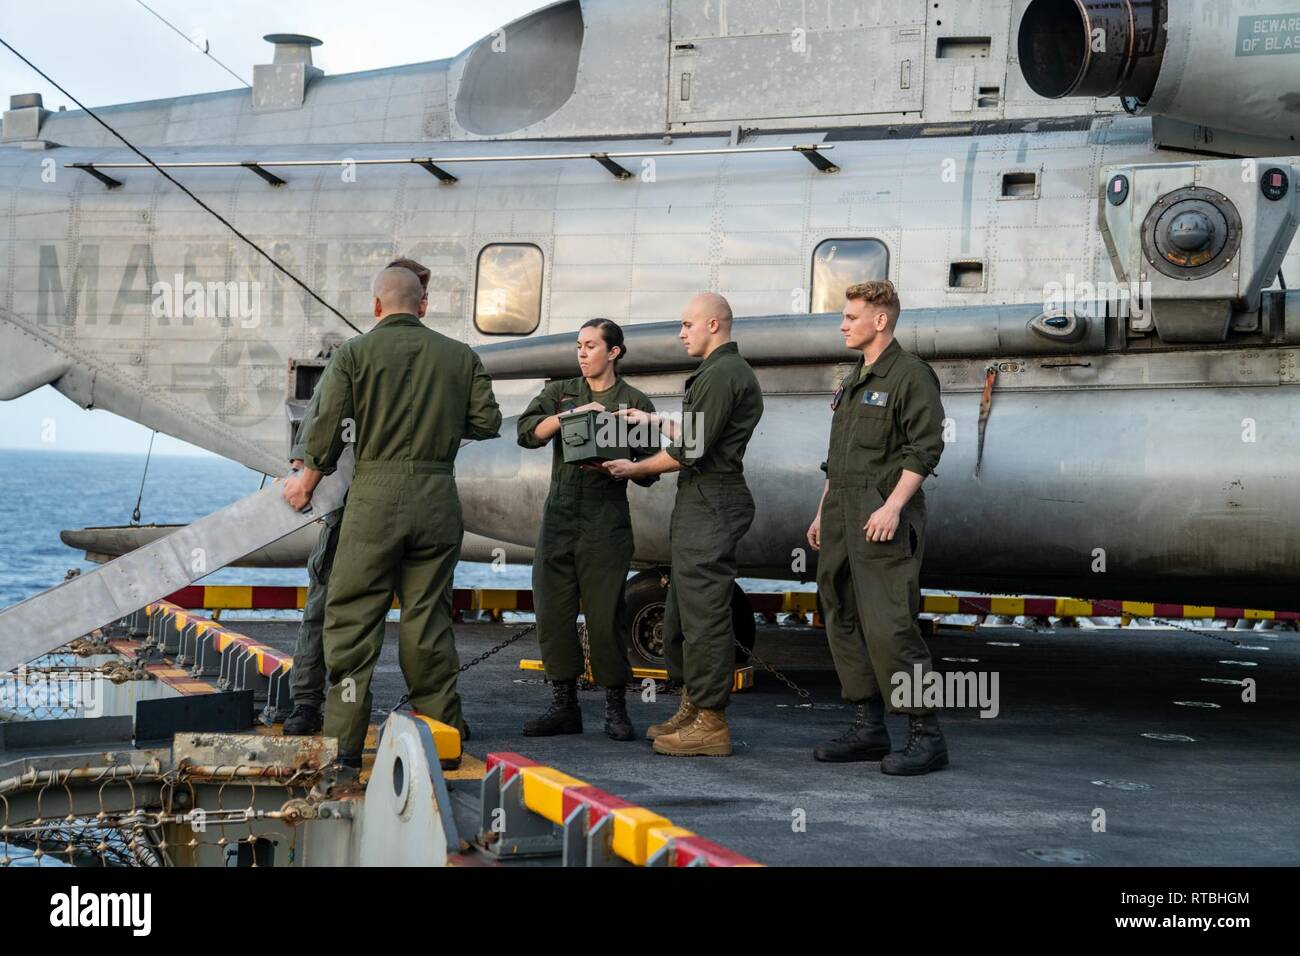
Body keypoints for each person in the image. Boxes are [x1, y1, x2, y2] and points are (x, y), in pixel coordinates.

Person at [282, 266, 501, 776]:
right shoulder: (459, 356)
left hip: (375, 498)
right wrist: (441, 422)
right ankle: (444, 732)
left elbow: (326, 428)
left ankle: (345, 743)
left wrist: (304, 483)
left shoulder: (355, 355)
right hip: (437, 496)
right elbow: (488, 422)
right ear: (423, 305)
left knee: (353, 620)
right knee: (427, 619)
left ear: (376, 306)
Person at [603, 293, 763, 757]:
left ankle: (711, 721)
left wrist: (635, 468)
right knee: (683, 610)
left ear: (713, 324)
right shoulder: (720, 373)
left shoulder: (723, 373)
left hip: (711, 499)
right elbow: (698, 432)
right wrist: (650, 419)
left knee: (706, 616)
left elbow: (693, 447)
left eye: (688, 324)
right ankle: (693, 706)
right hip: (701, 500)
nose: (681, 332)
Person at [281, 258, 432, 737]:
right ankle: (307, 702)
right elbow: (320, 420)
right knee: (335, 603)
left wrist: (304, 473)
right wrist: (306, 472)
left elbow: (317, 422)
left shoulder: (380, 356)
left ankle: (316, 709)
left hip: (376, 503)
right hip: (356, 501)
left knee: (345, 607)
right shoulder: (368, 356)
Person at [805, 280, 948, 775]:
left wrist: (892, 506)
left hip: (882, 514)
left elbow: (925, 449)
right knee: (841, 614)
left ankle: (925, 734)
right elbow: (837, 460)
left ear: (880, 320)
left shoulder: (910, 375)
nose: (843, 324)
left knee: (891, 626)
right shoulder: (853, 379)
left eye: (851, 316)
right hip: (843, 511)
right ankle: (868, 727)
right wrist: (824, 510)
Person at [516, 319, 658, 741]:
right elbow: (528, 434)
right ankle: (565, 705)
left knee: (605, 613)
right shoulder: (561, 392)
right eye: (579, 345)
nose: (582, 353)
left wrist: (627, 467)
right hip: (559, 514)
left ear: (613, 352)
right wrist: (572, 414)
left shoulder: (633, 400)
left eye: (591, 346)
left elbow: (650, 467)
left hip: (605, 517)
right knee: (553, 610)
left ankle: (616, 707)